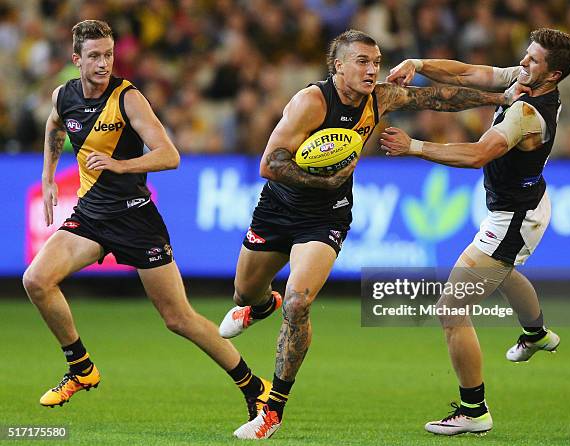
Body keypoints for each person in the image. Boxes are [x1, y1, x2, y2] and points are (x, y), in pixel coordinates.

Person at [218, 29, 520, 439]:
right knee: (243, 294)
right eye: (362, 61)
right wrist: (321, 180)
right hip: (278, 209)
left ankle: (273, 410)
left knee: (299, 300)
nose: (372, 69)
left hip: (327, 216)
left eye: (375, 62)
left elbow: (435, 98)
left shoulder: (380, 98)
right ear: (338, 66)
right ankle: (259, 305)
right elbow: (270, 165)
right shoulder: (311, 102)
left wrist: (499, 99)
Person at [22, 20, 269, 422]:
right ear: (76, 60)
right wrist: (49, 176)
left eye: (109, 55)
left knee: (179, 319)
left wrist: (121, 165)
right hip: (91, 216)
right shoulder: (64, 96)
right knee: (35, 280)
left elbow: (170, 155)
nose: (104, 64)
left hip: (136, 218)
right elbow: (54, 125)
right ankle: (81, 368)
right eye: (95, 56)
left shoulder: (128, 99)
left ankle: (254, 387)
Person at [382, 28, 570, 435]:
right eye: (526, 55)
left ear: (554, 76)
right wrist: (418, 65)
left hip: (512, 219)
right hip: (526, 204)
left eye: (533, 60)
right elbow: (469, 74)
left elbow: (476, 155)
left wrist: (413, 147)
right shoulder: (527, 81)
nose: (523, 63)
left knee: (451, 310)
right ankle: (536, 334)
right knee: (502, 271)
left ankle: (474, 411)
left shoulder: (527, 114)